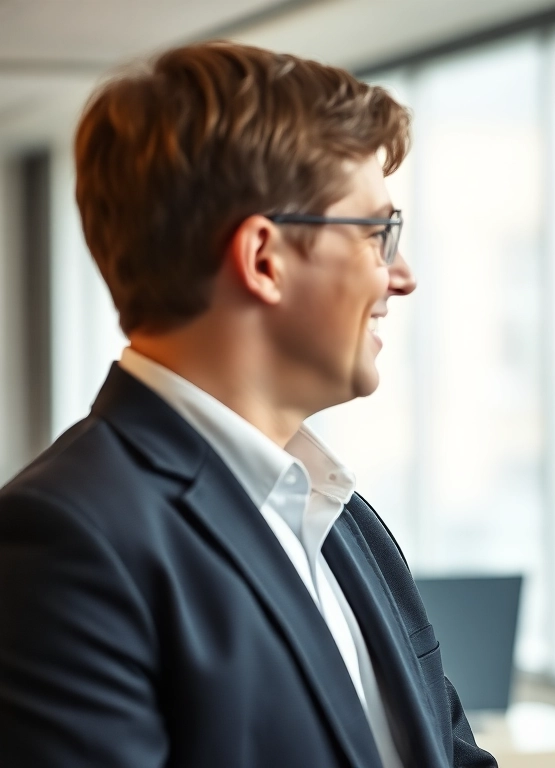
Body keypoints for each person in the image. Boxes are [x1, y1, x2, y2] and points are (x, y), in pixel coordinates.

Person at [0, 41, 494, 768]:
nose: (403, 276)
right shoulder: (66, 540)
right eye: (378, 232)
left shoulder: (343, 518)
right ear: (264, 258)